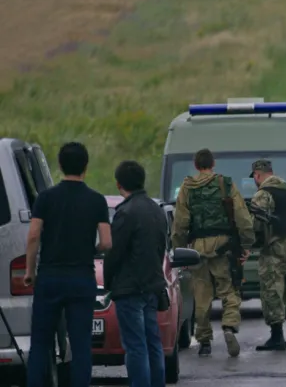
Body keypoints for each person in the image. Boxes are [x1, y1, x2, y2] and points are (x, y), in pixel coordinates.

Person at [24, 142, 112, 387]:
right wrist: (89, 250)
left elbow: (33, 236)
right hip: (82, 278)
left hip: (50, 276)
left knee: (40, 343)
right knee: (81, 343)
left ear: (60, 165)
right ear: (86, 167)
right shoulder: (96, 200)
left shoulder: (45, 198)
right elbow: (106, 242)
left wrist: (30, 272)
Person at [171, 149, 254, 357]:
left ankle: (204, 340)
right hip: (223, 246)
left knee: (201, 294)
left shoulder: (187, 188)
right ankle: (229, 326)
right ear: (213, 163)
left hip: (197, 249)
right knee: (229, 289)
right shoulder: (225, 184)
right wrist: (247, 244)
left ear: (196, 165)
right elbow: (242, 217)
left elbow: (180, 223)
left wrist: (179, 250)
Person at [104, 161, 167, 387]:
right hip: (152, 286)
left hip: (129, 289)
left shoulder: (125, 213)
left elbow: (114, 252)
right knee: (153, 344)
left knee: (135, 346)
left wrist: (109, 282)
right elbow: (161, 247)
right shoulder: (156, 210)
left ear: (119, 184)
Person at [249, 159, 286, 351]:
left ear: (257, 175)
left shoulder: (263, 195)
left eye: (255, 177)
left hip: (274, 246)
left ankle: (277, 337)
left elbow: (255, 225)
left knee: (272, 287)